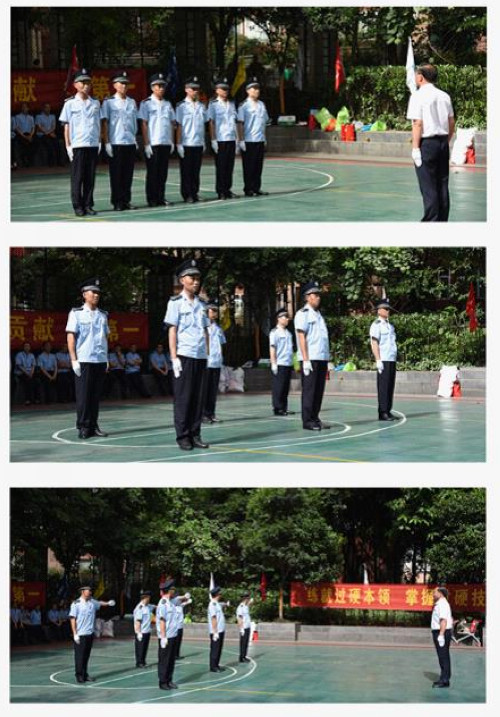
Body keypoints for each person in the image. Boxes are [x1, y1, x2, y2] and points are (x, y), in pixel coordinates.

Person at [164, 259, 210, 451]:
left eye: (198, 278)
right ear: (182, 280)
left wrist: (207, 353)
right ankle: (183, 436)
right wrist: (174, 357)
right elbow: (172, 330)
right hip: (184, 355)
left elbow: (205, 331)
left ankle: (195, 434)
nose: (196, 281)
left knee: (198, 398)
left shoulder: (202, 304)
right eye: (192, 277)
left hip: (200, 356)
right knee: (184, 398)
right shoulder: (175, 303)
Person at [407, 64, 455, 222]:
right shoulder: (444, 96)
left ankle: (431, 221)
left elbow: (417, 123)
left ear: (421, 77)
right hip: (442, 142)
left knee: (428, 185)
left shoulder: (417, 96)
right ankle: (442, 219)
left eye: (416, 74)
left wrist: (415, 148)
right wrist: (446, 141)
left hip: (427, 144)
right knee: (442, 184)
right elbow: (451, 122)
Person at [66, 277, 109, 439]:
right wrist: (74, 360)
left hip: (99, 360)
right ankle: (83, 426)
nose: (96, 295)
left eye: (98, 293)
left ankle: (93, 425)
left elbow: (105, 338)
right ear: (84, 294)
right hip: (83, 359)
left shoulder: (103, 315)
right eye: (93, 292)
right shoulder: (76, 313)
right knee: (83, 396)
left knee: (95, 396)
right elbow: (71, 337)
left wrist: (106, 359)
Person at [59, 69, 101, 217]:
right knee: (78, 177)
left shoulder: (95, 103)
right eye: (82, 82)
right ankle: (78, 206)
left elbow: (98, 123)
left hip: (92, 144)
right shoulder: (70, 104)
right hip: (78, 145)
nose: (86, 85)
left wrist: (99, 141)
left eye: (88, 82)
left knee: (90, 177)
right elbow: (66, 126)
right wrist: (68, 146)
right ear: (75, 84)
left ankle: (88, 204)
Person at [294, 281, 331, 431]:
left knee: (318, 390)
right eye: (315, 294)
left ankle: (315, 417)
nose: (318, 297)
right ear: (307, 297)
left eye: (318, 295)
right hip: (310, 358)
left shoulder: (319, 315)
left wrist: (327, 358)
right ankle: (308, 420)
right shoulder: (302, 314)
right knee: (309, 390)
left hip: (321, 357)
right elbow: (301, 337)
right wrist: (306, 359)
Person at [101, 70, 138, 211]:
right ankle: (117, 202)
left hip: (129, 141)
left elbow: (134, 122)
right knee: (116, 174)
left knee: (128, 174)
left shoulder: (132, 102)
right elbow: (105, 123)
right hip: (116, 142)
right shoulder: (109, 102)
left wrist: (135, 138)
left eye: (126, 83)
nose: (124, 86)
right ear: (114, 85)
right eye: (121, 83)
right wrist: (107, 142)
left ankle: (126, 200)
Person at [138, 72, 176, 207]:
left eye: (163, 86)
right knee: (153, 172)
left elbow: (172, 123)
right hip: (153, 142)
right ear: (152, 87)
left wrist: (172, 141)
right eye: (158, 86)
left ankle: (161, 197)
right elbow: (144, 123)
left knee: (163, 172)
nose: (161, 88)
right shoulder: (146, 103)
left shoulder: (167, 104)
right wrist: (146, 144)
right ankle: (152, 199)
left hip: (165, 142)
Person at [69, 585, 116, 683]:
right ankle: (79, 675)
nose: (90, 592)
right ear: (82, 591)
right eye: (88, 590)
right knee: (79, 656)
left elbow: (100, 603)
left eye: (90, 591)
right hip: (80, 634)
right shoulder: (76, 604)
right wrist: (75, 634)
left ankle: (85, 674)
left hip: (90, 633)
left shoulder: (92, 602)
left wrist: (108, 603)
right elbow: (72, 619)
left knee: (86, 655)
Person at [175, 77, 208, 203]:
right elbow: (179, 125)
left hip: (198, 142)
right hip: (186, 143)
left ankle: (195, 192)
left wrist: (203, 141)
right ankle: (187, 194)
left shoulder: (201, 106)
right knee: (186, 171)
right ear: (186, 90)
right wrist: (179, 144)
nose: (195, 91)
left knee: (196, 171)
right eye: (193, 89)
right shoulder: (181, 106)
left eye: (197, 89)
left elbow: (203, 125)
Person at [237, 78, 269, 197]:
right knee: (249, 166)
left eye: (258, 88)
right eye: (254, 88)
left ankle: (256, 187)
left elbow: (263, 123)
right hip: (249, 140)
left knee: (258, 166)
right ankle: (248, 188)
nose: (256, 91)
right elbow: (240, 123)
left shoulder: (261, 104)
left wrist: (264, 138)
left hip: (259, 139)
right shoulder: (244, 105)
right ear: (248, 91)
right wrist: (241, 140)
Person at [208, 78, 239, 199]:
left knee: (230, 167)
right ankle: (221, 191)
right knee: (221, 167)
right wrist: (213, 140)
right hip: (220, 140)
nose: (225, 91)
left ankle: (228, 189)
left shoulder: (231, 103)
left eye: (226, 89)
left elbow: (234, 122)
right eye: (223, 89)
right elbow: (211, 122)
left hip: (231, 138)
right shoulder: (213, 104)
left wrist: (237, 139)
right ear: (217, 90)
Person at [369, 298, 399, 421]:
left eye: (388, 309)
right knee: (383, 387)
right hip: (383, 359)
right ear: (379, 310)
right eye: (386, 309)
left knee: (390, 386)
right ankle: (382, 412)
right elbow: (374, 343)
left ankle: (388, 410)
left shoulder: (390, 326)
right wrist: (378, 360)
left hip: (391, 358)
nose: (388, 311)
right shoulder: (376, 325)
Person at [203, 300, 226, 423]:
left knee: (213, 391)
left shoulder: (218, 328)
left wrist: (221, 358)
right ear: (207, 312)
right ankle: (203, 415)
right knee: (205, 390)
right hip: (206, 362)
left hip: (216, 362)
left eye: (216, 311)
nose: (215, 314)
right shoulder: (203, 327)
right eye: (213, 311)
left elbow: (221, 344)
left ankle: (211, 414)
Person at [269, 307, 295, 416]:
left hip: (287, 362)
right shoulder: (274, 332)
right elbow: (272, 348)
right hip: (279, 363)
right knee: (278, 387)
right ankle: (278, 408)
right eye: (285, 317)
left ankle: (284, 407)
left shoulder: (288, 333)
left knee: (285, 387)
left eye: (287, 317)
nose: (287, 319)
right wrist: (273, 363)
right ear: (279, 318)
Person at [156, 580, 178, 690]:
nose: (174, 591)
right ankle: (163, 682)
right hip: (166, 636)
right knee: (164, 660)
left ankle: (169, 679)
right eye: (173, 589)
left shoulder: (171, 603)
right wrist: (163, 637)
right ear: (169, 591)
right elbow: (162, 621)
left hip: (173, 635)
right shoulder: (163, 603)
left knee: (171, 660)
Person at [430, 586, 453, 688]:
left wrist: (441, 635)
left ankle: (444, 680)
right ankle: (444, 678)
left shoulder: (442, 604)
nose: (433, 594)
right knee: (443, 656)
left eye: (434, 592)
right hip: (440, 632)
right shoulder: (440, 603)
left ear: (440, 593)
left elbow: (443, 620)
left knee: (443, 656)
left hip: (441, 632)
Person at [133, 589, 155, 668]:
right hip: (141, 632)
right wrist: (138, 633)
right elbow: (138, 621)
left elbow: (155, 606)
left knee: (144, 648)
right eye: (149, 597)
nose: (150, 599)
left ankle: (143, 661)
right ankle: (139, 663)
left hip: (147, 631)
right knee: (140, 648)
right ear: (146, 597)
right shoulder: (140, 608)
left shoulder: (148, 606)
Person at [208, 585, 226, 672]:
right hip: (216, 631)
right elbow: (213, 618)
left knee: (219, 649)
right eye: (219, 594)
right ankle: (213, 667)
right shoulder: (212, 604)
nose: (220, 595)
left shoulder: (217, 604)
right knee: (215, 649)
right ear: (217, 594)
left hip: (220, 630)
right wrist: (215, 632)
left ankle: (216, 664)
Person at [13, 102, 35, 167]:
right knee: (23, 143)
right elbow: (16, 128)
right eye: (23, 107)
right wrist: (24, 136)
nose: (24, 108)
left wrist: (30, 135)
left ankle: (30, 161)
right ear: (21, 108)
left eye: (26, 107)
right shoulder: (17, 117)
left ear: (28, 108)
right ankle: (24, 160)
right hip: (21, 134)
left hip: (29, 134)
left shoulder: (31, 117)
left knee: (35, 143)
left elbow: (33, 127)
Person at [172, 590, 192, 660]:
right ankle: (174, 655)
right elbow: (178, 598)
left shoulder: (180, 605)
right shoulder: (173, 606)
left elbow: (188, 601)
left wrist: (188, 597)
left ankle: (177, 654)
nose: (180, 600)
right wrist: (185, 596)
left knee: (178, 642)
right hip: (175, 628)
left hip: (180, 627)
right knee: (175, 642)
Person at [236, 592, 252, 663]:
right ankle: (241, 657)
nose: (249, 599)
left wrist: (250, 602)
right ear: (246, 599)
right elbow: (240, 618)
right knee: (243, 643)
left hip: (247, 627)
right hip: (244, 628)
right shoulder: (241, 607)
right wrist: (241, 628)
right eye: (248, 598)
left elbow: (249, 604)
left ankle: (244, 656)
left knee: (246, 643)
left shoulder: (245, 606)